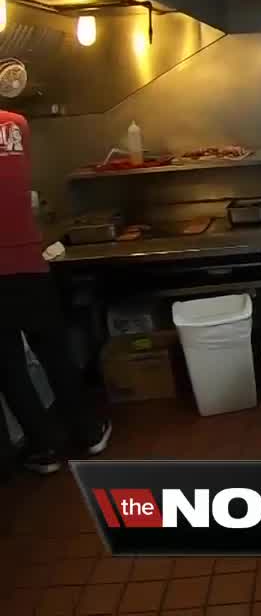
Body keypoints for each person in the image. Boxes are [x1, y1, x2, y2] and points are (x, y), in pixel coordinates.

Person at [0, 110, 111, 479]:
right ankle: (88, 433)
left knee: (9, 367)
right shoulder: (16, 123)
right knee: (55, 352)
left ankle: (43, 448)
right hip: (30, 263)